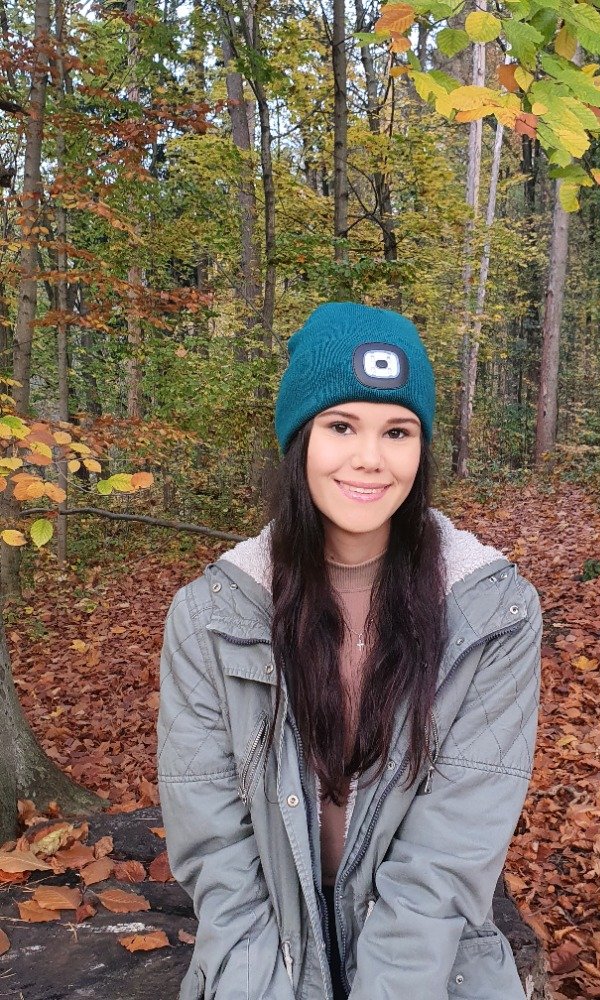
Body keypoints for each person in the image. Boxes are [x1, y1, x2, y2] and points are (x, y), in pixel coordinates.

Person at [157, 302, 542, 1000]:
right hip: (261, 953)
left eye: (397, 431)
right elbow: (214, 849)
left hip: (435, 963)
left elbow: (450, 853)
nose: (370, 458)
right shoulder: (209, 617)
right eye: (341, 426)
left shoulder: (493, 614)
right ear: (300, 437)